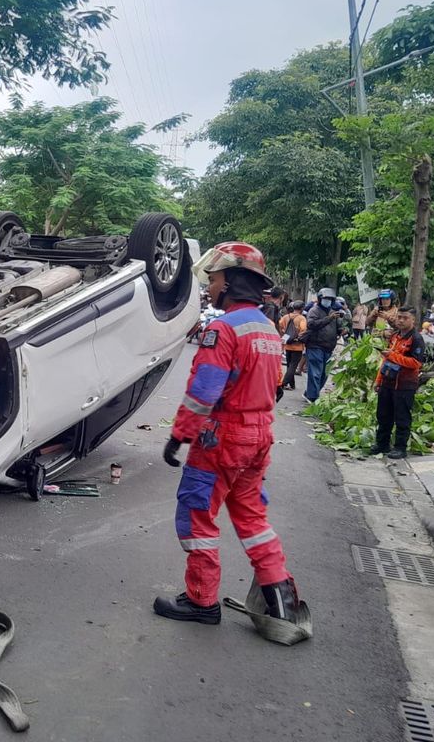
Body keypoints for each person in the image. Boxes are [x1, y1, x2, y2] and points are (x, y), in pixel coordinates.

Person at [154, 241, 304, 633]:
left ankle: (202, 601)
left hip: (222, 439)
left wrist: (180, 435)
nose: (211, 286)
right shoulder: (268, 331)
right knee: (253, 519)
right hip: (258, 438)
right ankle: (282, 603)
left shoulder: (223, 329)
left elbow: (204, 391)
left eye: (215, 278)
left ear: (233, 281)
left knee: (197, 515)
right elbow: (273, 388)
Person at [371, 307, 425, 459]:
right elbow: (385, 360)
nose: (401, 320)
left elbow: (416, 363)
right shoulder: (395, 336)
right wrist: (378, 380)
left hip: (404, 385)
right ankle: (382, 443)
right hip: (387, 381)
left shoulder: (416, 339)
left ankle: (400, 448)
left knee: (402, 417)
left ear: (413, 320)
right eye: (399, 317)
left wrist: (393, 356)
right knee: (383, 415)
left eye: (405, 318)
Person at [304, 288, 343, 402]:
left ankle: (310, 392)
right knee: (315, 373)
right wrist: (328, 319)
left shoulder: (333, 312)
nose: (328, 301)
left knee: (324, 375)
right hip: (315, 345)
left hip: (328, 347)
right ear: (320, 299)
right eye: (326, 299)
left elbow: (337, 327)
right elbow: (311, 324)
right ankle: (313, 397)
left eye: (330, 299)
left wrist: (341, 330)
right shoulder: (314, 311)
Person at [278, 300, 307, 390]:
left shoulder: (286, 316)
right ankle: (283, 383)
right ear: (302, 309)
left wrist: (283, 334)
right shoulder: (302, 318)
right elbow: (303, 330)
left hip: (287, 344)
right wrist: (298, 337)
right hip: (297, 346)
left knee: (289, 365)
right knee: (293, 366)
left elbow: (279, 325)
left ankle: (292, 384)